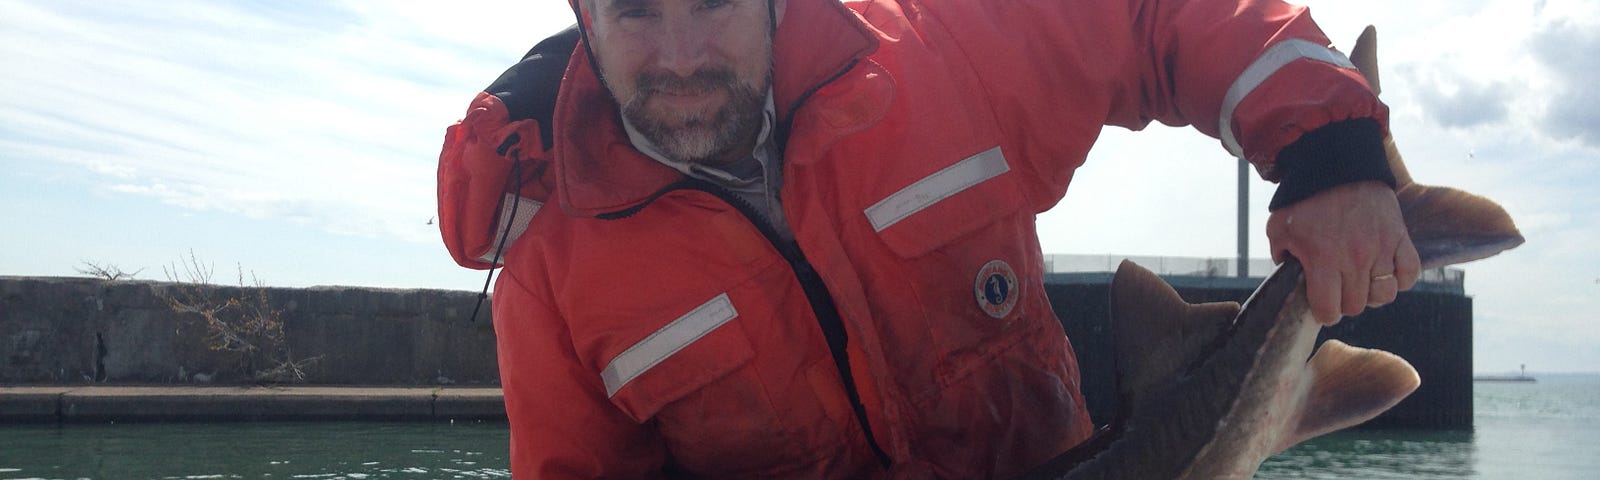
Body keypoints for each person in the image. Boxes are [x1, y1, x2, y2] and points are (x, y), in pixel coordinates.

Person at [435, 0, 1422, 477]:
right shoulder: (551, 269)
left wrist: (1329, 144)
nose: (683, 56)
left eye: (716, 1)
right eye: (637, 11)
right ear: (579, 13)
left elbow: (1154, 13)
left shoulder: (935, 50)